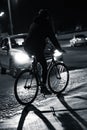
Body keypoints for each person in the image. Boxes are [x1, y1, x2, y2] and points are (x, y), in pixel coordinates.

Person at [24, 9, 64, 94]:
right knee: (44, 66)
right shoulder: (45, 24)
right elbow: (52, 38)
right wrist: (59, 48)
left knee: (37, 59)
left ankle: (34, 71)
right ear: (46, 17)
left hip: (27, 46)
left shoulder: (34, 23)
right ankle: (43, 88)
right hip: (36, 47)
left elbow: (37, 36)